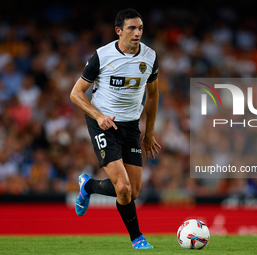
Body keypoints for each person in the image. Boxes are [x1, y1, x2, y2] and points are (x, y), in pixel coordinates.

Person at [70, 8, 160, 249]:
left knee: (133, 193)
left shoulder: (150, 57)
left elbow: (153, 96)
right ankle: (137, 239)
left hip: (131, 125)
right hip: (103, 123)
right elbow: (75, 93)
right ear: (118, 31)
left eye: (140, 28)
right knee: (122, 187)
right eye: (132, 28)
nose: (137, 33)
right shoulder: (102, 56)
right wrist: (98, 116)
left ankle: (87, 185)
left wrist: (148, 133)